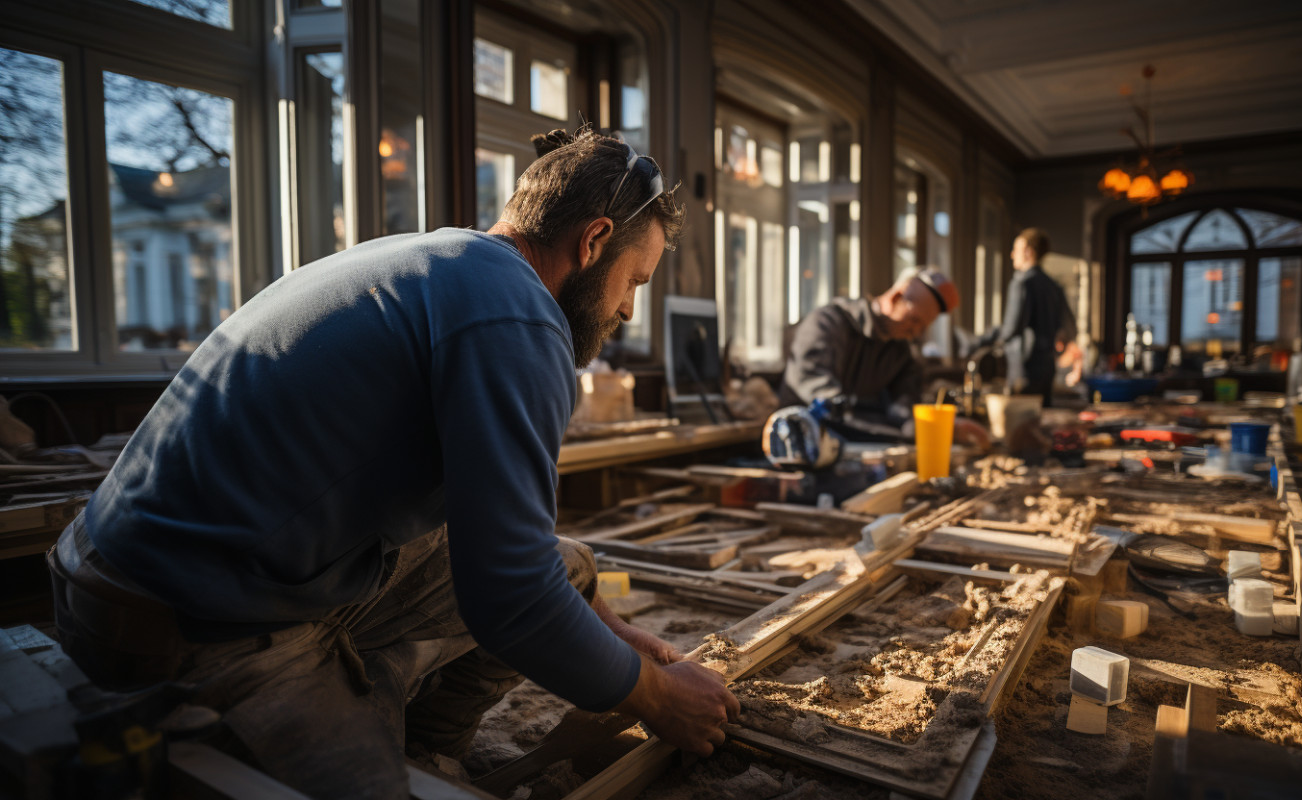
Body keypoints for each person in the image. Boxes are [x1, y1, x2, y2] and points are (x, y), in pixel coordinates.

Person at [46, 127, 739, 799]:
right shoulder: (520, 319)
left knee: (572, 571)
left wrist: (617, 642)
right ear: (593, 242)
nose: (626, 309)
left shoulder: (443, 262)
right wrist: (658, 697)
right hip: (177, 617)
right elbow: (513, 599)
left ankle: (429, 753)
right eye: (634, 281)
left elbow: (511, 556)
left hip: (136, 567)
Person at [780, 268, 961, 439]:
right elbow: (822, 398)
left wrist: (939, 427)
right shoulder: (827, 323)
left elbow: (904, 407)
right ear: (895, 298)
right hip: (798, 436)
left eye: (924, 327)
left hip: (853, 441)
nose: (917, 333)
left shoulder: (900, 350)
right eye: (915, 320)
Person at [970, 228, 1079, 407]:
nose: (1012, 254)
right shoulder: (1053, 286)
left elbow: (1011, 328)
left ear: (1028, 251)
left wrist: (981, 342)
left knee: (1022, 418)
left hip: (1024, 366)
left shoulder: (1022, 283)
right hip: (1048, 366)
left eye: (1016, 249)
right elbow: (1068, 328)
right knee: (1042, 416)